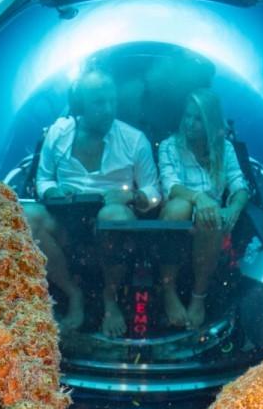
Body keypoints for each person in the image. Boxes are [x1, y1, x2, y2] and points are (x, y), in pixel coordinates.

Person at [23, 69, 162, 336]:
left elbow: (154, 192)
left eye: (112, 101)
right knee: (26, 217)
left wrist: (131, 196)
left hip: (113, 223)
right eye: (99, 103)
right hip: (66, 221)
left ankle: (110, 298)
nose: (108, 109)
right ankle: (72, 293)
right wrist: (52, 192)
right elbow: (43, 181)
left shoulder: (134, 140)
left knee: (114, 218)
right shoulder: (58, 133)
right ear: (80, 105)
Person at [156, 87, 251, 329]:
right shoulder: (169, 146)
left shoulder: (224, 148)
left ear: (210, 121)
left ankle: (198, 297)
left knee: (211, 218)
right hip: (179, 214)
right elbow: (171, 186)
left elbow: (239, 185)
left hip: (209, 220)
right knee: (179, 209)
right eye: (187, 116)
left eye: (198, 119)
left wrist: (234, 209)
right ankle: (169, 291)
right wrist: (199, 198)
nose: (190, 123)